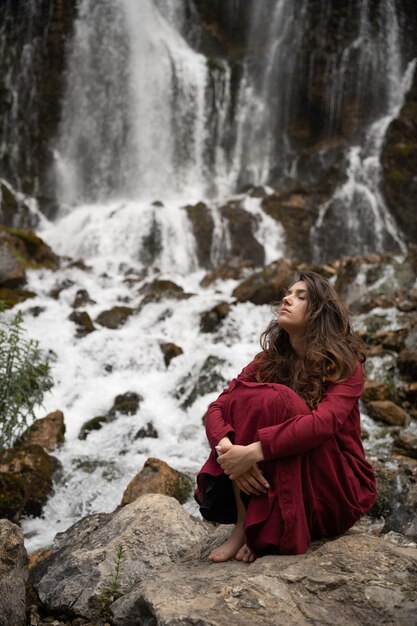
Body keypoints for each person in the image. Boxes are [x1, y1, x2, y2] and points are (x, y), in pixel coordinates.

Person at [195, 271, 377, 563]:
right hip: (286, 479)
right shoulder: (269, 360)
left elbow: (323, 424)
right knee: (246, 395)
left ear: (320, 312)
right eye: (288, 293)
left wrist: (253, 452)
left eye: (301, 296)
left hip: (336, 490)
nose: (287, 299)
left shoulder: (346, 363)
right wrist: (230, 452)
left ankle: (274, 530)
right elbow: (219, 406)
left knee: (277, 399)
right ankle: (245, 526)